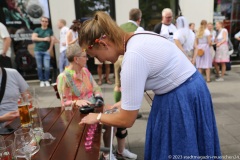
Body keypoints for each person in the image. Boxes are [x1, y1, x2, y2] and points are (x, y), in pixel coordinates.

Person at [78, 11, 222, 159]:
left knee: (177, 149)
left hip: (180, 97)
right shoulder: (138, 36)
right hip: (193, 89)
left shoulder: (133, 56)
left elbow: (126, 120)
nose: (100, 61)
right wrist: (124, 103)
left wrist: (97, 117)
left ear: (103, 43)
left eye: (96, 56)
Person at [56, 43, 116, 160]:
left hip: (94, 108)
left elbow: (96, 88)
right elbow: (64, 103)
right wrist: (74, 102)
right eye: (84, 56)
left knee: (114, 120)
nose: (87, 58)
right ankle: (98, 153)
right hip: (77, 115)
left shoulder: (85, 72)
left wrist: (98, 97)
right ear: (76, 59)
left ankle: (107, 153)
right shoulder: (64, 77)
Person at [112, 8, 143, 160]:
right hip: (128, 57)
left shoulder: (120, 26)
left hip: (117, 57)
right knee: (129, 86)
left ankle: (121, 106)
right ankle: (127, 108)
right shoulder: (139, 29)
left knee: (118, 84)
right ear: (139, 18)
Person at [32, 16, 54, 87]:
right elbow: (33, 38)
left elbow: (52, 40)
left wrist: (50, 49)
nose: (44, 22)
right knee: (39, 66)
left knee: (47, 66)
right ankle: (41, 80)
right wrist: (43, 39)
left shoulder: (49, 30)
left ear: (48, 23)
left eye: (46, 21)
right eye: (43, 21)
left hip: (46, 51)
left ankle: (46, 80)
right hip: (38, 50)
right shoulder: (37, 29)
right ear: (41, 22)